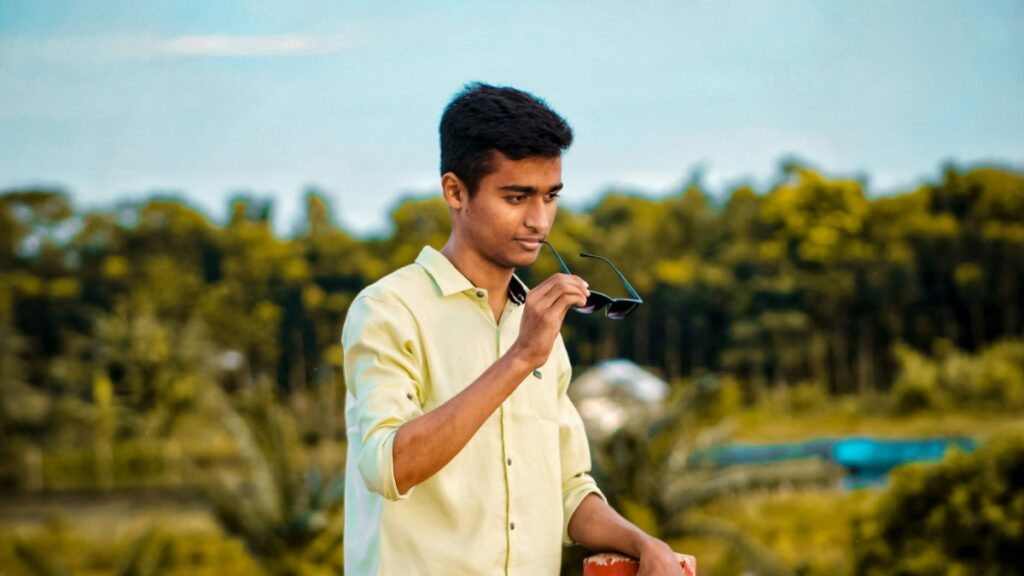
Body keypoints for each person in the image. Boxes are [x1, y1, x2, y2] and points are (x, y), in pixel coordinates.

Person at [342, 82, 684, 575]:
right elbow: (389, 467)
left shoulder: (541, 329)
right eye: (517, 196)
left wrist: (643, 543)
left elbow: (569, 488)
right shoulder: (389, 309)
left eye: (550, 197)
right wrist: (520, 357)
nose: (539, 220)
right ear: (455, 191)